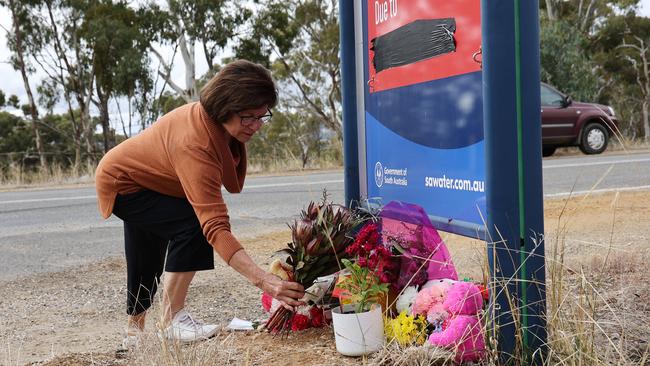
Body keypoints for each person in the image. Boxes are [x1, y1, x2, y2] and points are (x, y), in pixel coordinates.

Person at [95, 60, 305, 346]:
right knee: (192, 224)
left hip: (151, 180)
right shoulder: (195, 143)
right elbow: (215, 227)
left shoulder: (216, 125)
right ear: (225, 107)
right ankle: (172, 320)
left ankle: (134, 332)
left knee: (147, 251)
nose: (256, 126)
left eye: (262, 116)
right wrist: (264, 280)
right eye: (248, 117)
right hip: (124, 183)